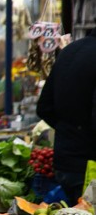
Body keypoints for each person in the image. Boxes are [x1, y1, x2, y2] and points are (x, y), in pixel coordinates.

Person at [36, 26, 96, 201]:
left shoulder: (69, 51)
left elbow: (44, 107)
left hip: (64, 162)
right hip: (89, 167)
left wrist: (68, 129)